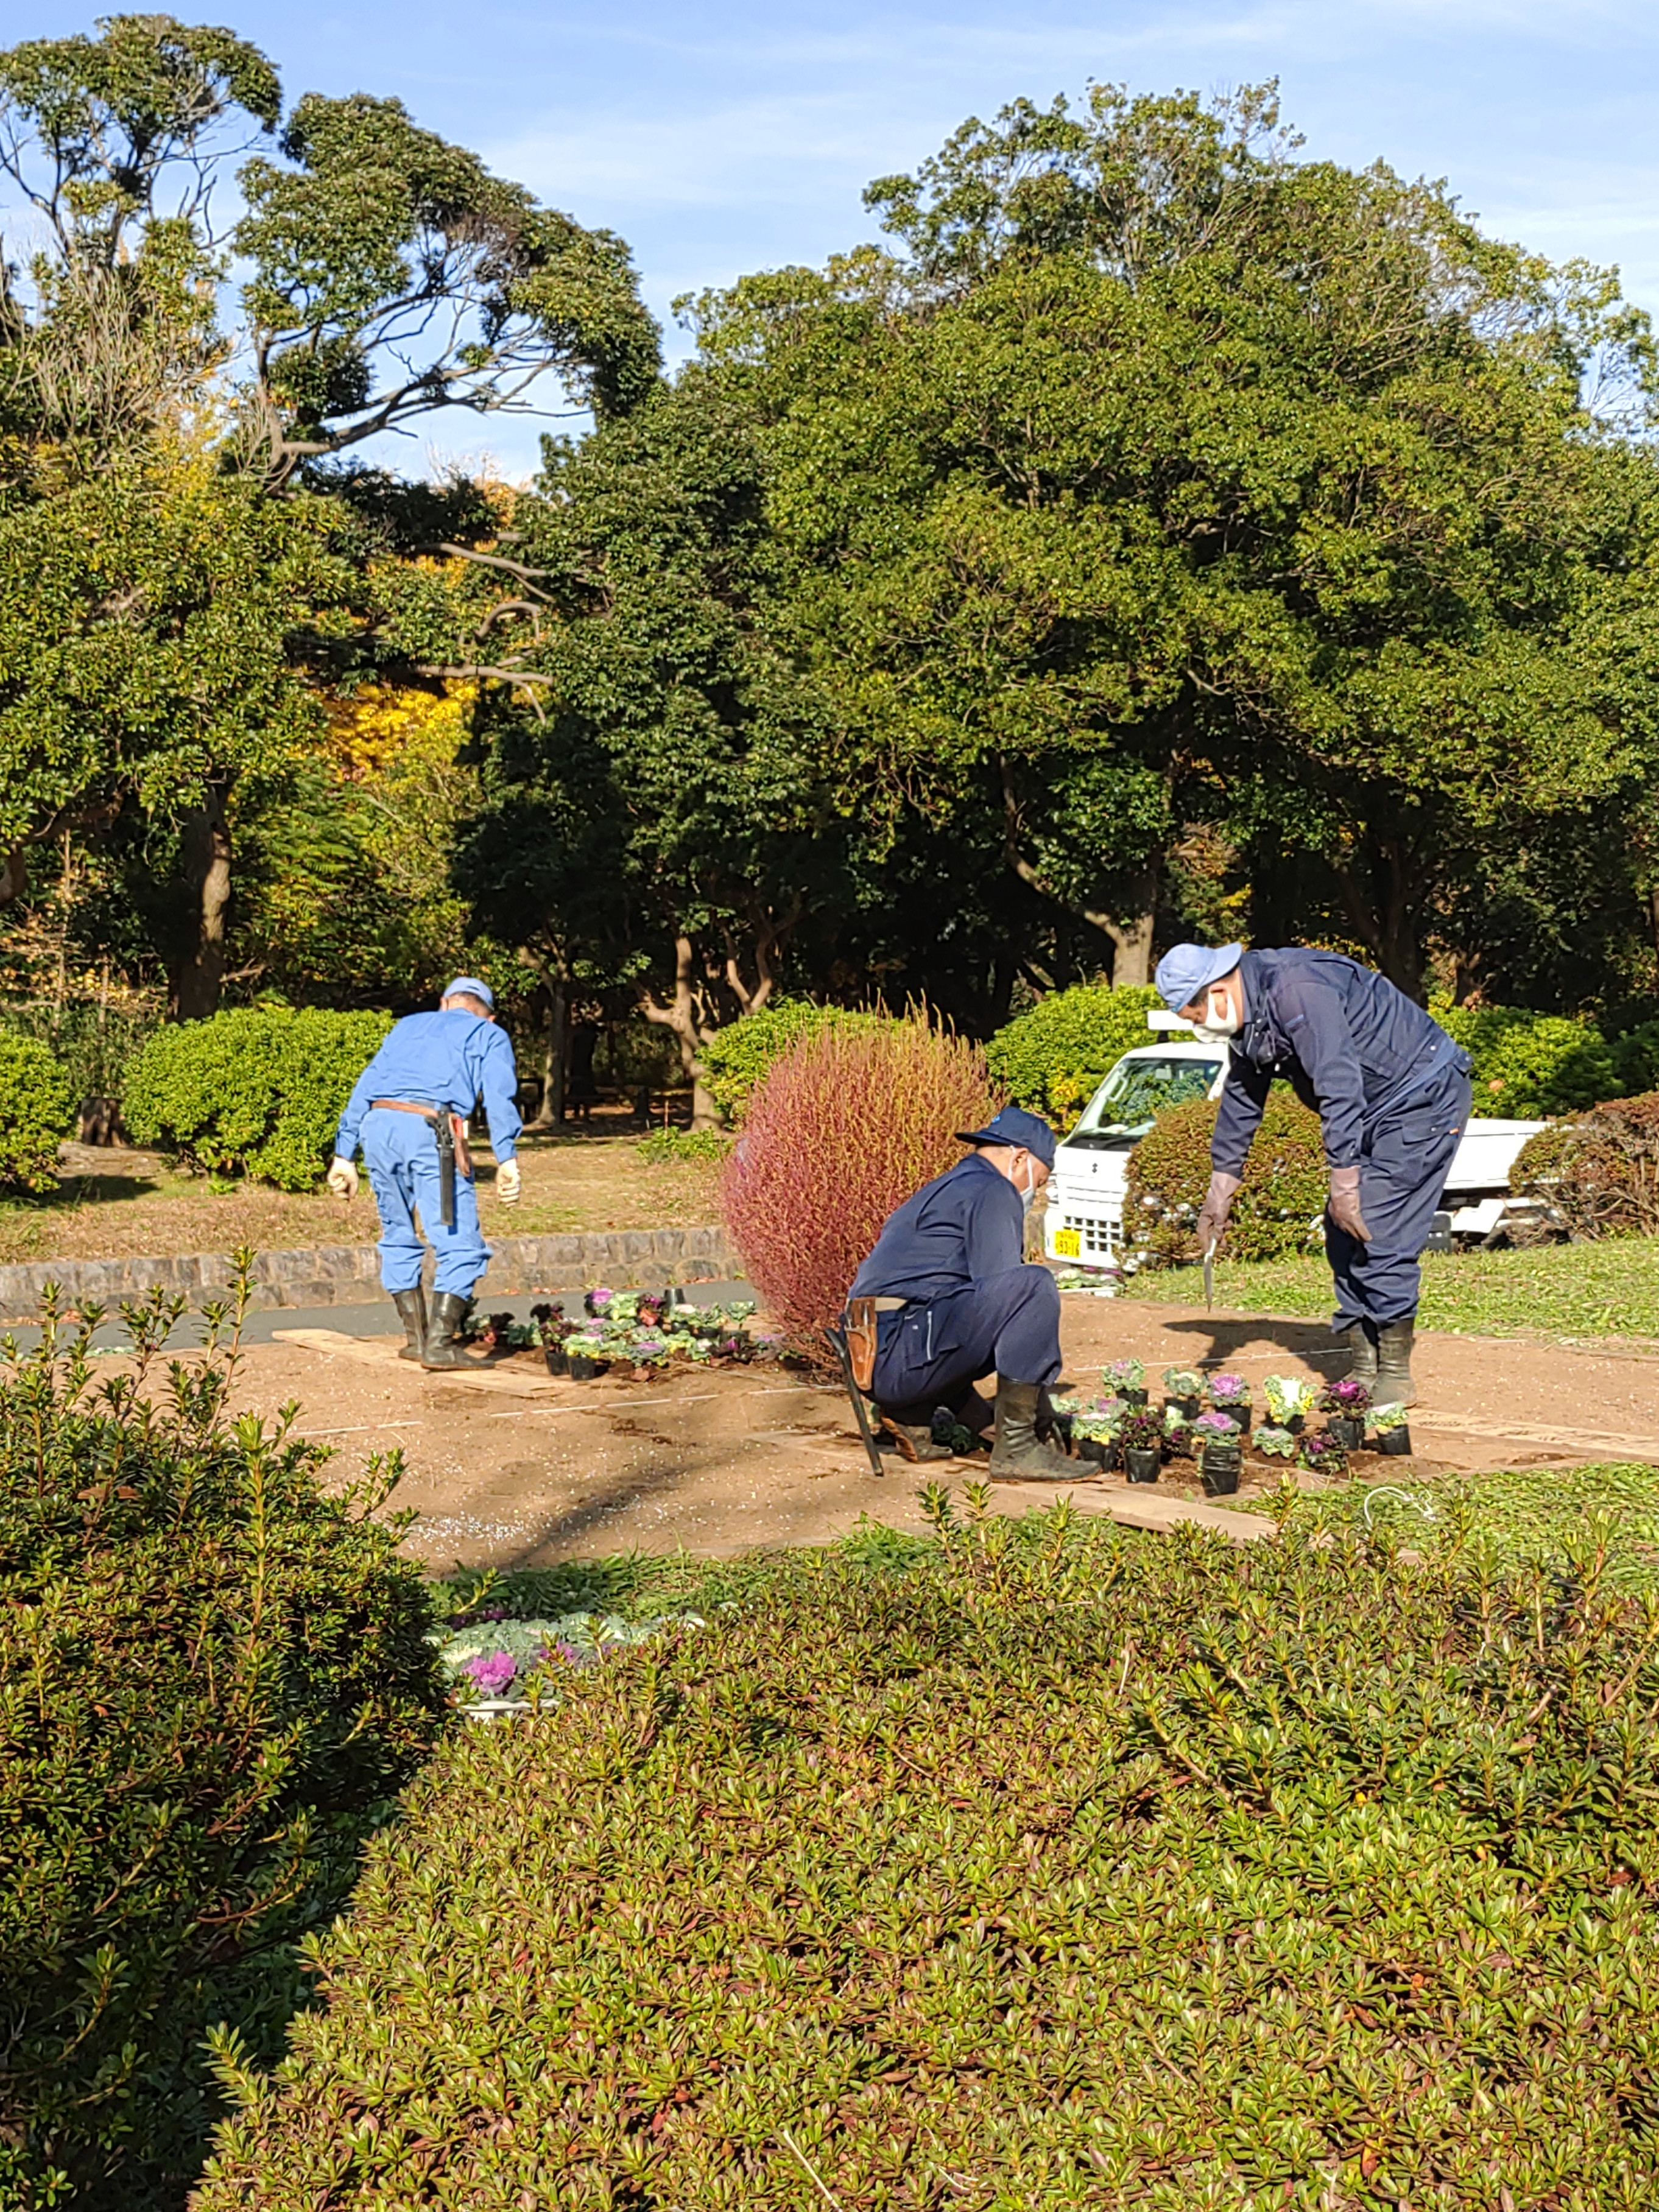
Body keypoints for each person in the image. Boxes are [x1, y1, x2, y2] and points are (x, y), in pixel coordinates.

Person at [1154, 943, 1473, 1407]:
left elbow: (1338, 1084)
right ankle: (1364, 1368)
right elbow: (1243, 1097)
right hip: (1373, 1108)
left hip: (1422, 1096)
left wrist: (1344, 1183)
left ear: (1219, 990)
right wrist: (1219, 1189)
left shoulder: (1297, 990)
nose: (1198, 1024)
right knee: (1341, 1232)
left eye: (1194, 1014)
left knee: (1376, 1226)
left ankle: (1395, 1375)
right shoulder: (1251, 1015)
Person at [846, 1105, 1076, 1480]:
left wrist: (984, 1425)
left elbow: (962, 1318)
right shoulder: (994, 1190)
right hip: (902, 1351)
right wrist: (1039, 1415)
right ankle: (1018, 1451)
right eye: (1043, 1180)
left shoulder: (944, 1188)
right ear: (1020, 1159)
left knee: (960, 1303)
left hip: (872, 1354)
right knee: (1033, 1286)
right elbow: (1008, 1302)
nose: (1040, 1191)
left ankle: (911, 1413)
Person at [326, 977, 523, 1369]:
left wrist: (343, 1154)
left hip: (378, 1126)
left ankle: (416, 1339)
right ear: (488, 1014)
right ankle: (439, 1344)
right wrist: (507, 1158)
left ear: (444, 1003)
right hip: (430, 1130)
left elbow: (363, 1086)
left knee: (397, 1234)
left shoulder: (407, 1026)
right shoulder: (488, 1033)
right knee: (459, 1239)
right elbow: (499, 1095)